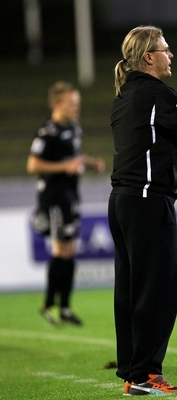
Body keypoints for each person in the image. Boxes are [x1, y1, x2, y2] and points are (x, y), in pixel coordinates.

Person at [108, 25, 177, 396]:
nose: (170, 55)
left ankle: (133, 371)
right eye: (165, 49)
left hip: (121, 201)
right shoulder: (159, 93)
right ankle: (146, 373)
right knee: (158, 290)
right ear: (149, 57)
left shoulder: (123, 95)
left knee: (130, 290)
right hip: (148, 202)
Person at [28, 81, 105, 327]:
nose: (76, 108)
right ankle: (49, 304)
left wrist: (90, 163)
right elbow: (33, 165)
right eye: (71, 104)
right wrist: (65, 167)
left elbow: (74, 158)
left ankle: (65, 306)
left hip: (70, 196)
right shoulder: (47, 132)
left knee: (70, 250)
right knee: (61, 249)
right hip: (53, 198)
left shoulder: (74, 128)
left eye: (77, 103)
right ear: (57, 104)